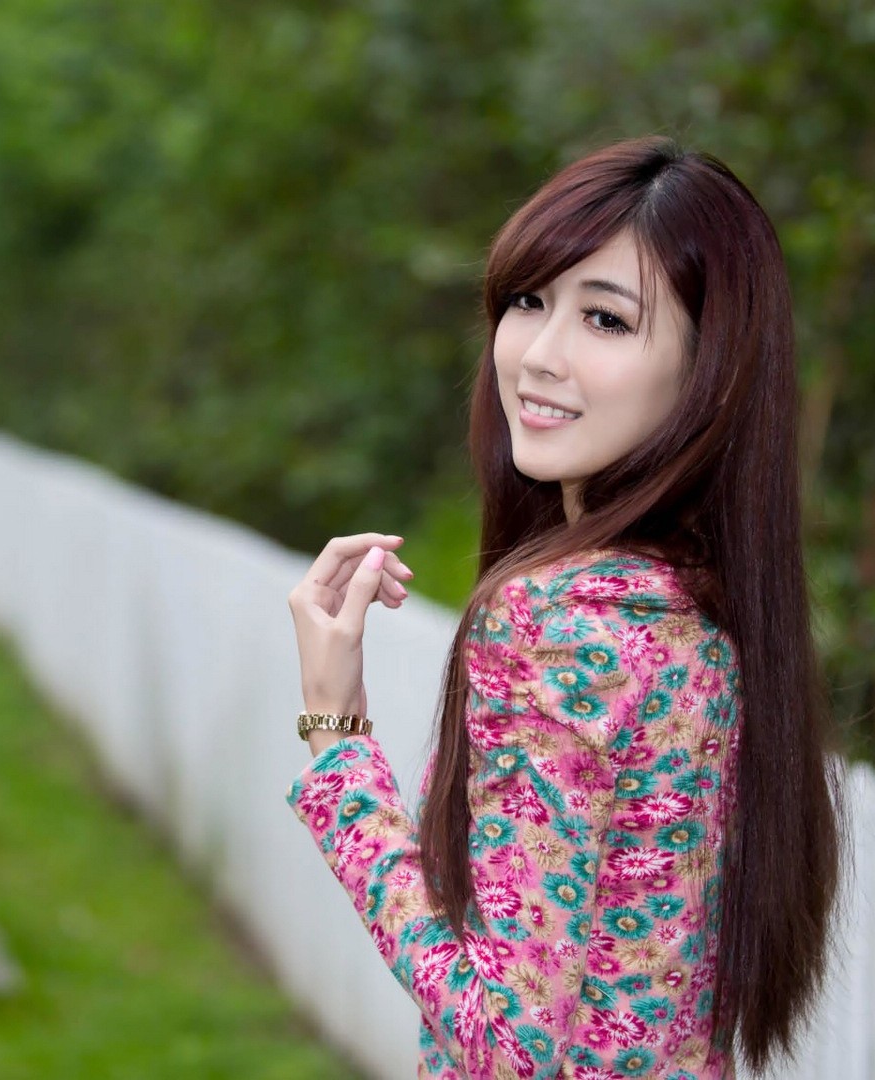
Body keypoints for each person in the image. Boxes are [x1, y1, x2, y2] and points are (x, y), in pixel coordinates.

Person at [283, 135, 844, 1080]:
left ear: (708, 367)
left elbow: (506, 1044)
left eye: (607, 320)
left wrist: (335, 738)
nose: (539, 356)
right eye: (529, 301)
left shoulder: (558, 626)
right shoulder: (700, 601)